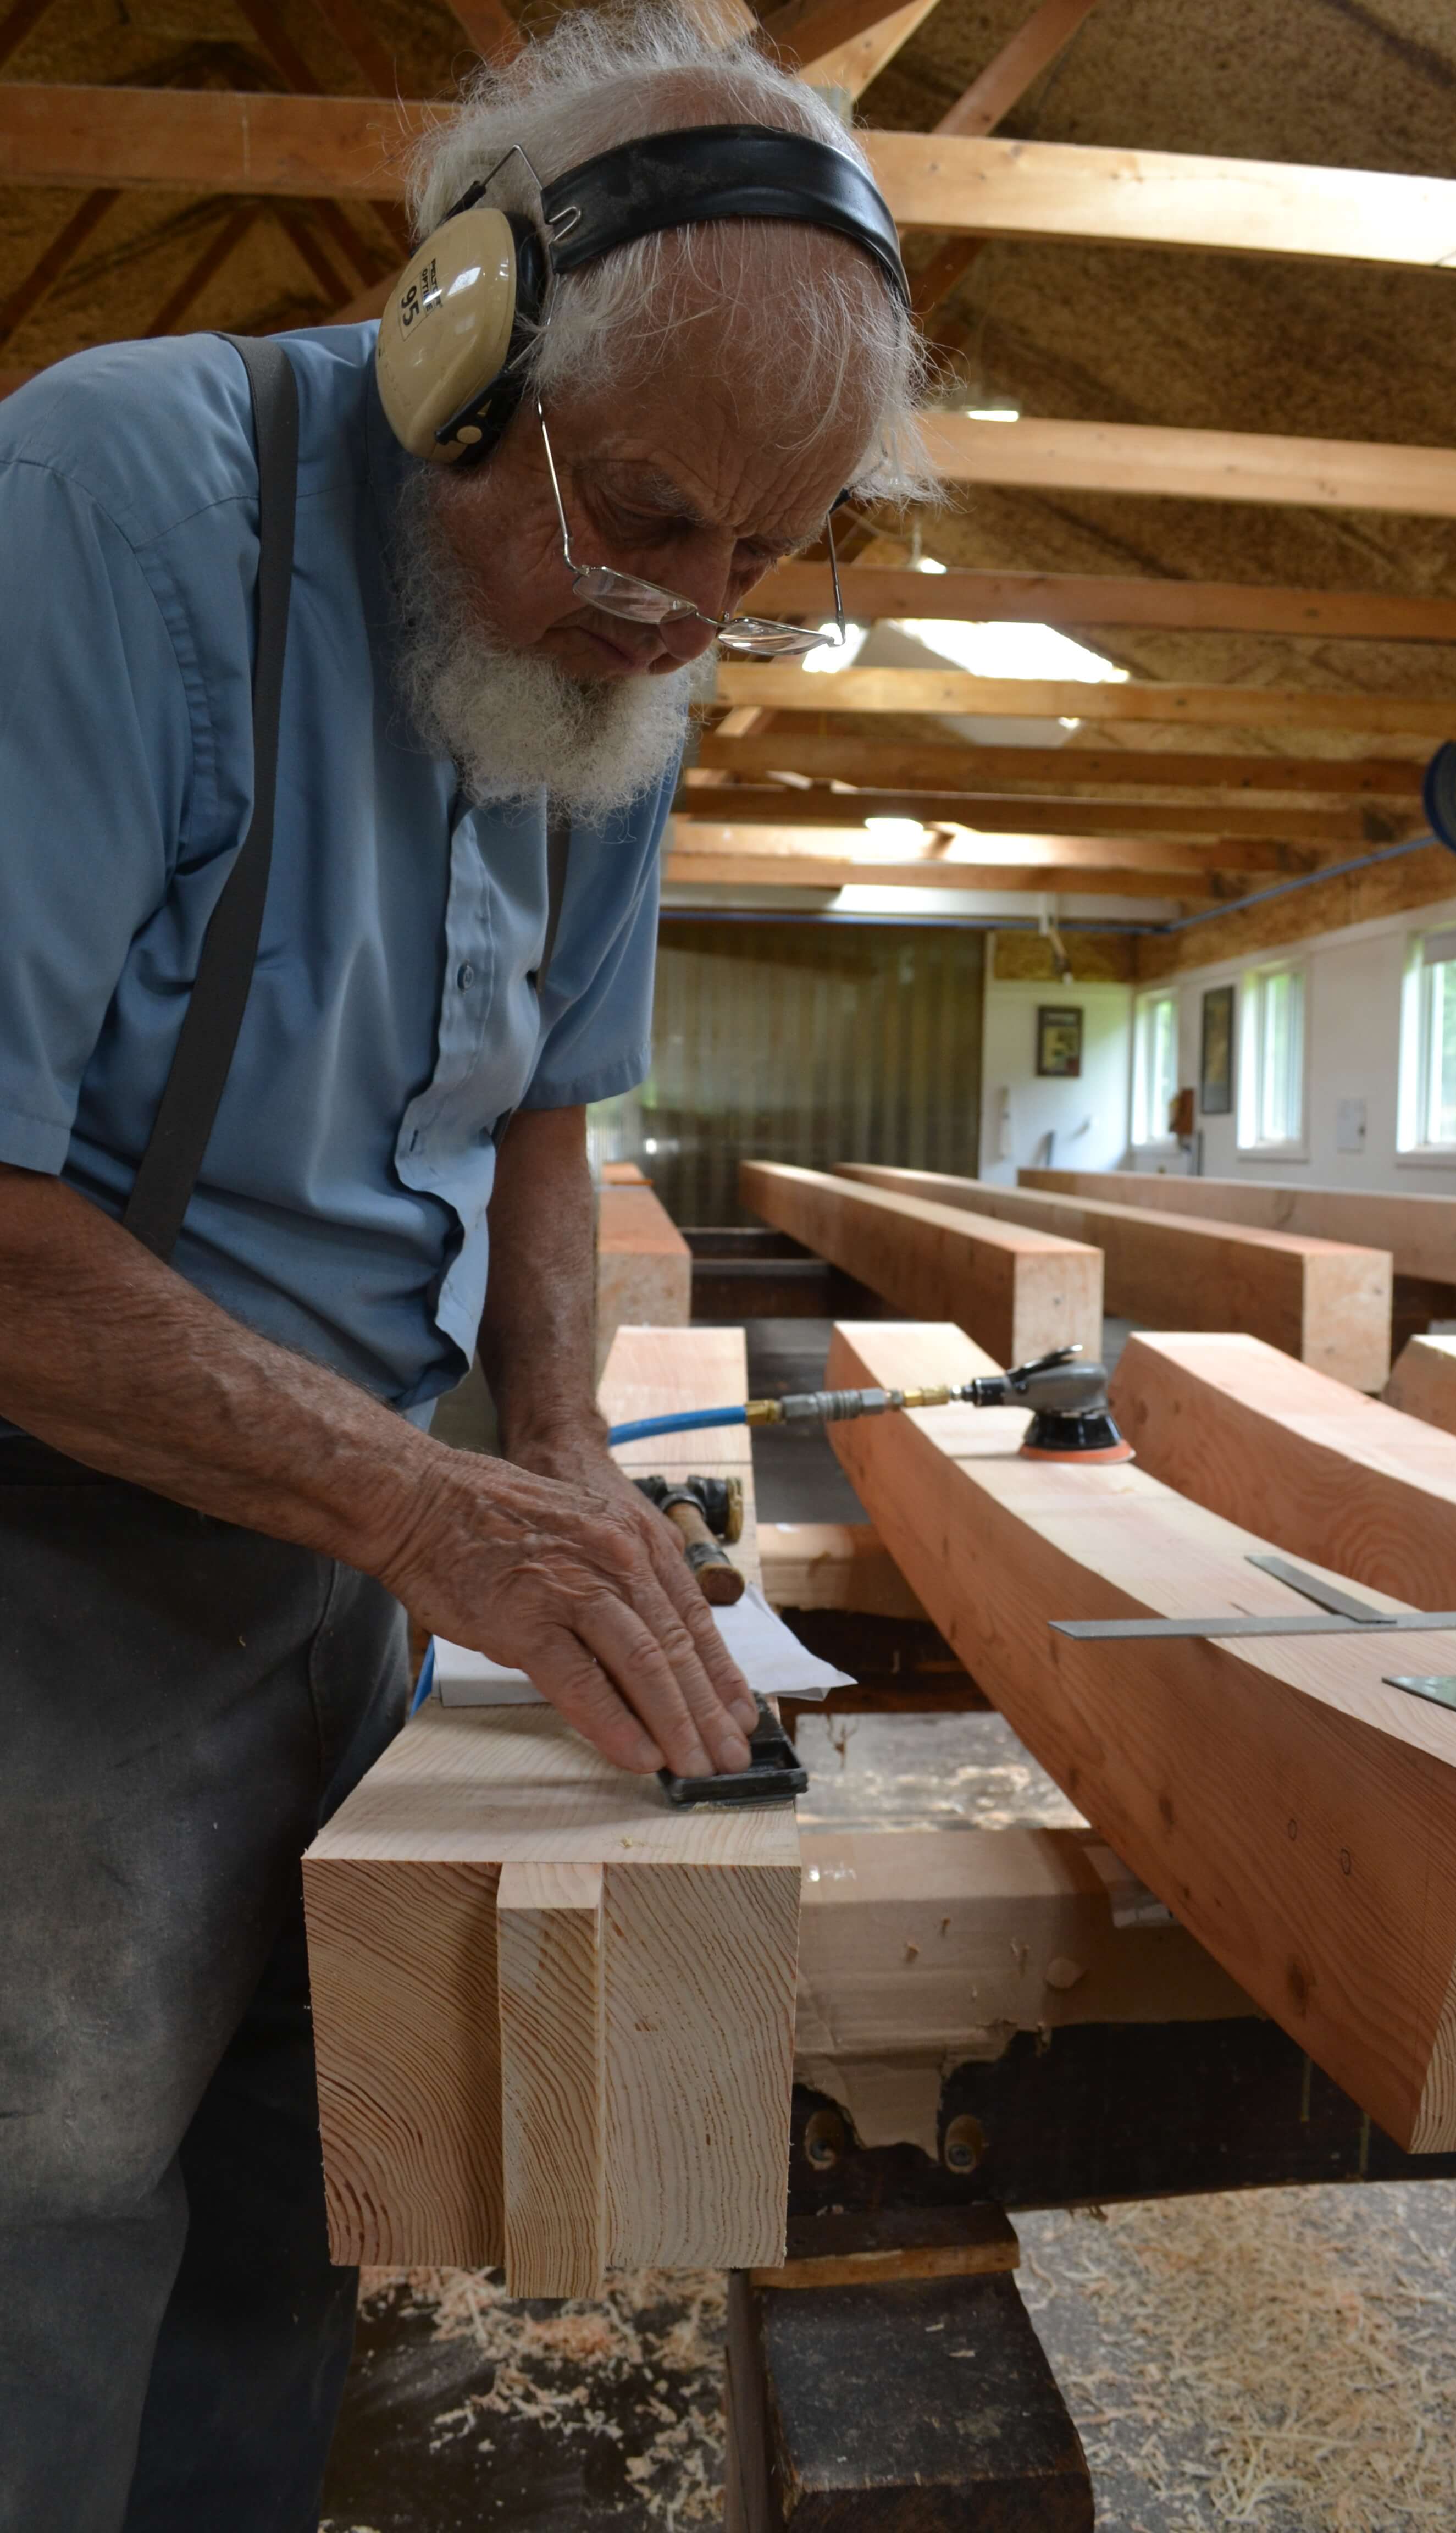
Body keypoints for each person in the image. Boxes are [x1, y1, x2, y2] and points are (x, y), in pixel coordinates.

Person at [0, 8, 928, 2524]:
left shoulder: (633, 653)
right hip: (60, 1511)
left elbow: (546, 1125)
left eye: (772, 551)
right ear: (458, 348)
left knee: (319, 2168)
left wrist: (552, 1474)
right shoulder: (121, 500)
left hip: (368, 1539)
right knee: (51, 2190)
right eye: (647, 518)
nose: (694, 612)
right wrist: (440, 1522)